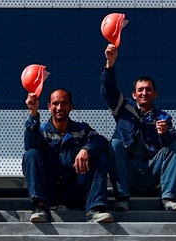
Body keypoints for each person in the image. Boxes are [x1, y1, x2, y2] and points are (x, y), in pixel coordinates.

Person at [101, 44, 176, 211]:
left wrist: (165, 134)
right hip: (128, 171)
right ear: (134, 95)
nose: (144, 93)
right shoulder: (123, 109)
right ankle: (122, 199)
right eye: (140, 90)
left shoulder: (163, 118)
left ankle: (168, 199)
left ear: (155, 94)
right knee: (114, 144)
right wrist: (109, 65)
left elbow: (174, 147)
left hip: (151, 172)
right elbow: (109, 91)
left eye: (148, 90)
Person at [23, 88, 114, 223]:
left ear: (71, 106)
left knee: (99, 154)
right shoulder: (41, 131)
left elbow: (102, 141)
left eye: (64, 103)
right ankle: (40, 208)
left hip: (76, 191)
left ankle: (95, 209)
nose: (59, 108)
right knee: (31, 154)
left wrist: (86, 149)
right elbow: (30, 145)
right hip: (50, 192)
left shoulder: (82, 129)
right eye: (55, 103)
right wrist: (33, 112)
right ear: (49, 107)